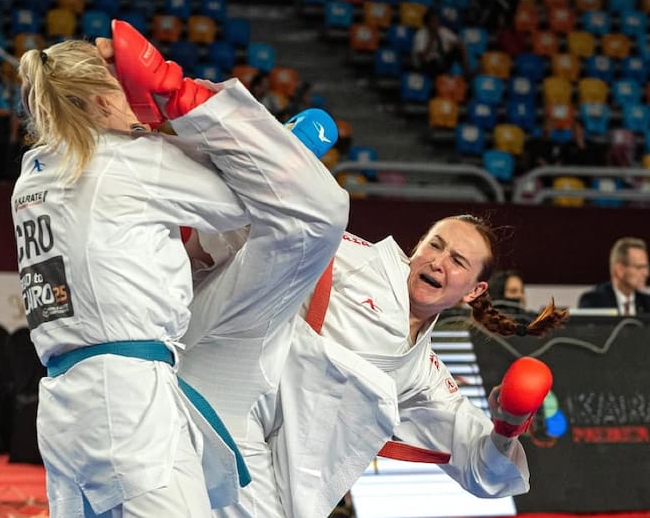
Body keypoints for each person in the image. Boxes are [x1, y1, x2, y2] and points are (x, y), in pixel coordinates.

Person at [13, 19, 348, 517]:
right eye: (127, 93)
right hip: (128, 398)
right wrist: (189, 102)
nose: (140, 107)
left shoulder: (34, 175)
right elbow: (260, 201)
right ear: (104, 101)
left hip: (67, 402)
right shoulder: (126, 161)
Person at [179, 215, 569, 518]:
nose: (437, 261)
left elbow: (484, 470)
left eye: (457, 260)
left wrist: (508, 424)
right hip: (232, 402)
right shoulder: (355, 259)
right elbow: (264, 229)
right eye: (434, 245)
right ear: (415, 248)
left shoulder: (422, 374)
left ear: (473, 290)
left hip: (285, 460)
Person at [578, 237, 650, 315]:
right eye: (639, 267)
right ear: (620, 270)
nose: (646, 273)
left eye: (646, 267)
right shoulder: (594, 302)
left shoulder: (647, 303)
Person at [412, 8, 469, 77]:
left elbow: (460, 44)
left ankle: (467, 72)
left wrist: (453, 44)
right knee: (435, 63)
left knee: (458, 50)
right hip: (425, 64)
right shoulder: (420, 35)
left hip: (440, 60)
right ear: (427, 23)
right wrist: (431, 41)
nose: (436, 24)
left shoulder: (442, 31)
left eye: (437, 21)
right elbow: (422, 57)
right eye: (433, 21)